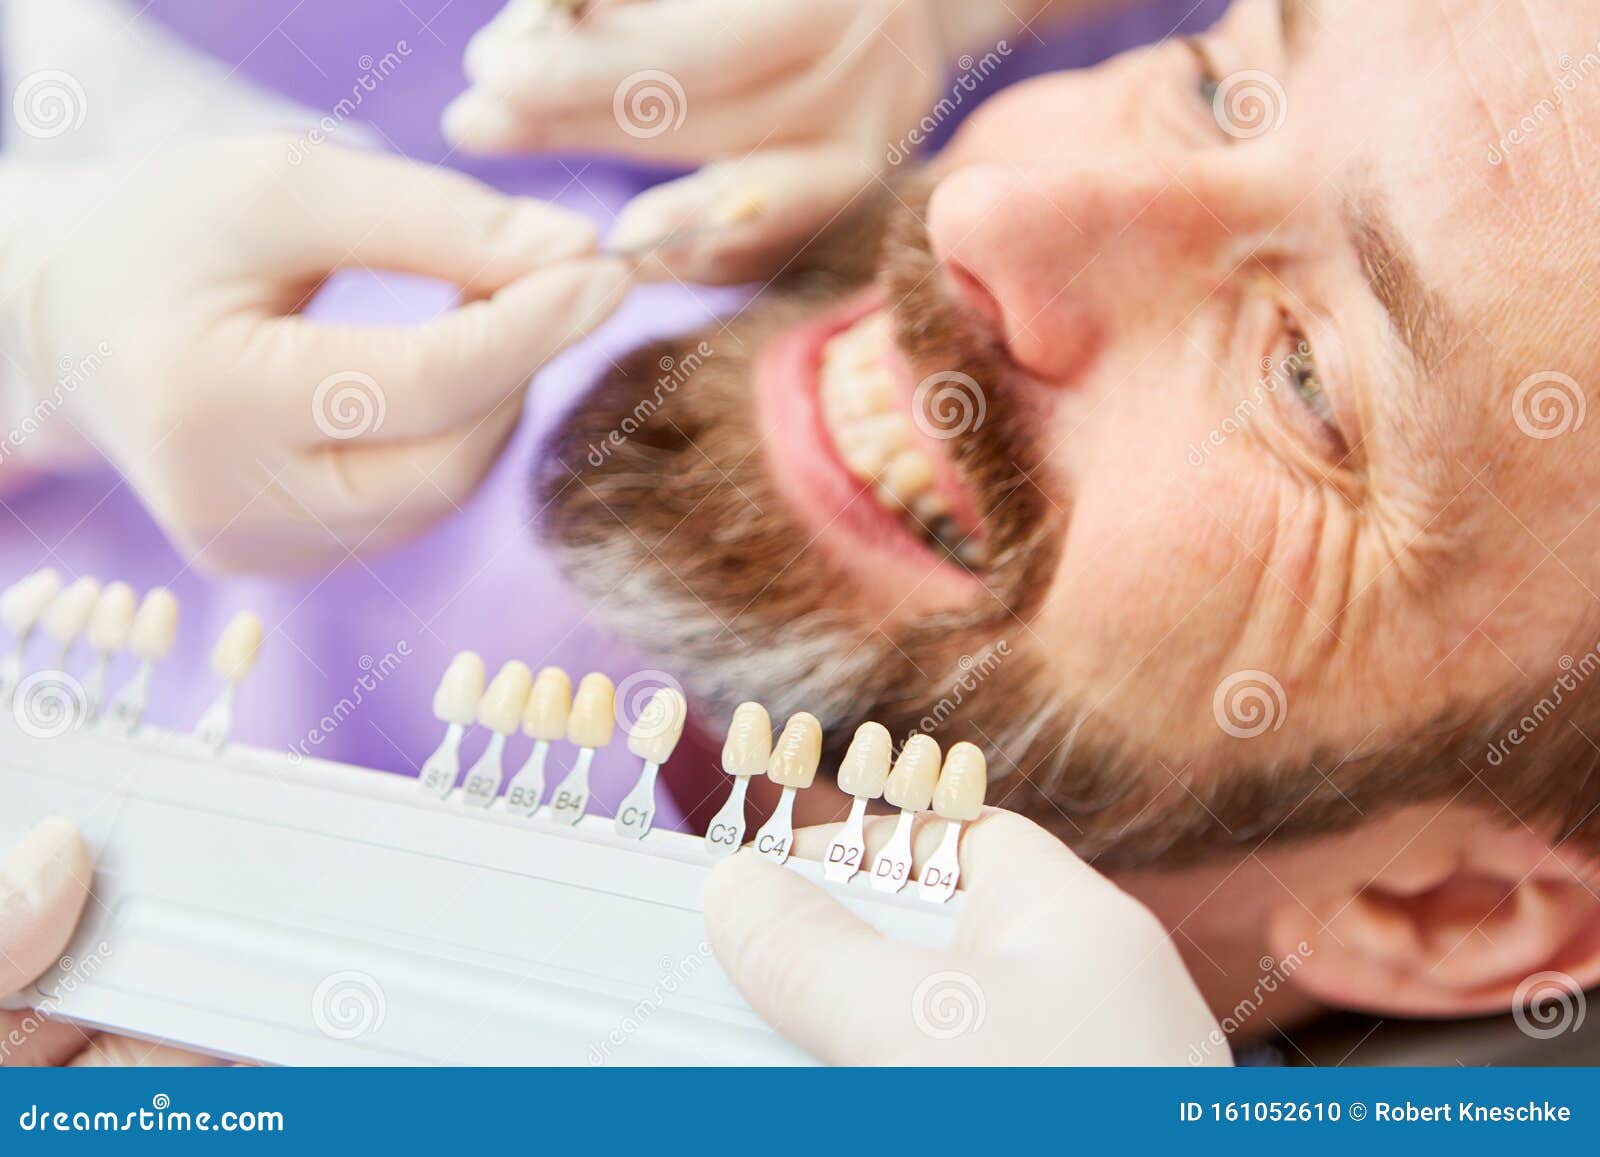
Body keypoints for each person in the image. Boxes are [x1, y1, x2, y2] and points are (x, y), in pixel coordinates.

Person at [4, 0, 1597, 1066]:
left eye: (1306, 377)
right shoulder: (617, 142)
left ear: (1442, 911)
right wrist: (37, 315)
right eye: (1211, 81)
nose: (987, 213)